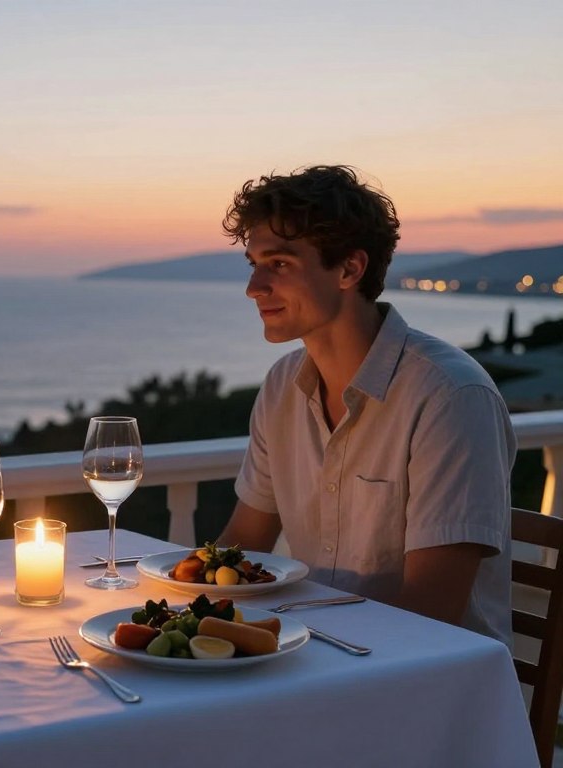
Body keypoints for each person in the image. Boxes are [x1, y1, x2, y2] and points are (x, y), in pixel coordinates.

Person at [216, 166, 516, 645]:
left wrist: (288, 645)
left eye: (280, 264)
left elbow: (432, 609)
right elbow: (241, 546)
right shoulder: (281, 388)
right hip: (317, 656)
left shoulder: (449, 398)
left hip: (430, 684)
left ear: (350, 269)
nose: (254, 287)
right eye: (253, 264)